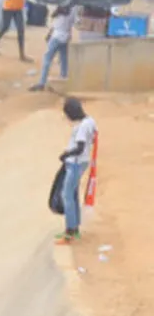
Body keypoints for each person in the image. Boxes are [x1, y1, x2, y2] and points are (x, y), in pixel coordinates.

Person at [57, 97, 97, 243]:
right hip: (82, 162)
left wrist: (66, 154)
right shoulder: (90, 121)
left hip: (75, 163)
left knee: (67, 196)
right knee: (73, 195)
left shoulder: (82, 127)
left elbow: (79, 148)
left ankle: (70, 232)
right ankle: (75, 227)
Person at [35, 5, 74, 91]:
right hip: (65, 36)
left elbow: (54, 24)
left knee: (47, 59)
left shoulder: (58, 10)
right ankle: (64, 76)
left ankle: (42, 82)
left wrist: (49, 34)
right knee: (64, 59)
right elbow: (73, 24)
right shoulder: (72, 11)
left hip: (56, 37)